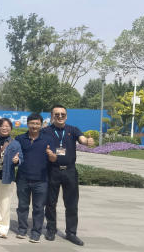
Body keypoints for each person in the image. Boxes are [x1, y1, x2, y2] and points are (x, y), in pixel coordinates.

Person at [41, 105, 94, 246]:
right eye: (57, 114)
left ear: (66, 116)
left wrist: (87, 141)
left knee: (71, 204)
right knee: (50, 202)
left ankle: (71, 232)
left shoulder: (73, 130)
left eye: (63, 114)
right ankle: (51, 229)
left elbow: (82, 139)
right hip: (52, 170)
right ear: (52, 116)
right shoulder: (45, 131)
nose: (60, 116)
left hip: (70, 171)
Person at [15, 113, 57, 243]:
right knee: (22, 206)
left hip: (41, 180)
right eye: (32, 123)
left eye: (37, 123)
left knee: (38, 208)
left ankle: (36, 232)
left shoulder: (48, 140)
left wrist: (50, 154)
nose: (34, 126)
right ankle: (22, 229)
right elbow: (15, 157)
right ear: (27, 124)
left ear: (41, 125)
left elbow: (54, 159)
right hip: (23, 178)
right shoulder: (19, 139)